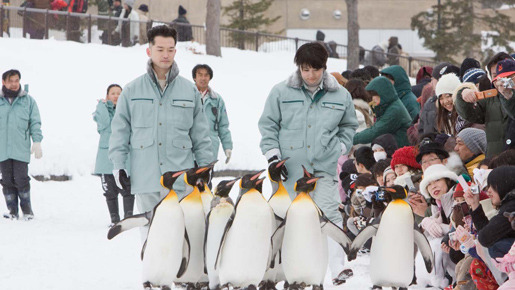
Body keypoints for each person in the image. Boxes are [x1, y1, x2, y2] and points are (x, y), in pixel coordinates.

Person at [258, 41, 358, 285]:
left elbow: (349, 126)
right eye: (305, 69)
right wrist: (273, 157)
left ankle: (337, 268)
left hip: (323, 167)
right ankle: (277, 271)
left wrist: (340, 148)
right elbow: (268, 125)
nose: (311, 75)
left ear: (324, 67)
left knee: (329, 215)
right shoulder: (281, 92)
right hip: (289, 171)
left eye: (316, 69)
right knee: (285, 220)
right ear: (298, 68)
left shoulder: (341, 95)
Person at [109, 25, 213, 219]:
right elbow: (120, 132)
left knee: (182, 239)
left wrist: (205, 168)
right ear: (149, 51)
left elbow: (201, 134)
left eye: (170, 49)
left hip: (182, 181)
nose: (166, 54)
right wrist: (118, 165)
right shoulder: (132, 91)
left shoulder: (189, 91)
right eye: (160, 49)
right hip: (146, 179)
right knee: (151, 238)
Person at [0, 69, 43, 220]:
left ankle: (27, 211)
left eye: (16, 81)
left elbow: (35, 122)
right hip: (2, 150)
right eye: (10, 81)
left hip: (20, 148)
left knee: (21, 178)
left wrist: (37, 141)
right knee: (6, 180)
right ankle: (12, 211)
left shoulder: (28, 101)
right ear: (3, 82)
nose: (14, 84)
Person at [455, 52, 511, 157]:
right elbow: (469, 115)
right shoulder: (490, 98)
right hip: (495, 161)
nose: (499, 79)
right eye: (495, 75)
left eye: (504, 74)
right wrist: (462, 95)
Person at [94, 84, 134, 226]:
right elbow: (104, 124)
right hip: (106, 160)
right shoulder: (102, 111)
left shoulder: (129, 111)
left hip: (125, 158)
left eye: (119, 93)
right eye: (113, 93)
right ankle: (114, 220)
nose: (116, 96)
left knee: (128, 190)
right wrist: (102, 106)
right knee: (110, 192)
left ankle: (128, 218)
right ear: (107, 96)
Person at [353, 76, 412, 147]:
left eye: (375, 94)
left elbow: (375, 131)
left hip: (400, 149)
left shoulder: (394, 110)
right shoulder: (390, 105)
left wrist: (352, 139)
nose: (373, 98)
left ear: (383, 94)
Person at [192, 64, 233, 163]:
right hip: (190, 150)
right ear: (194, 77)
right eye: (200, 75)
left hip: (210, 150)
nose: (203, 78)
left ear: (210, 77)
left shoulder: (217, 100)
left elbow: (223, 126)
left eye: (206, 75)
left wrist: (227, 147)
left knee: (207, 178)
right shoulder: (187, 96)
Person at [418, 62, 460, 136]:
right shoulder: (430, 103)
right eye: (441, 98)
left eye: (448, 96)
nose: (445, 101)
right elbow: (422, 128)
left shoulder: (462, 114)